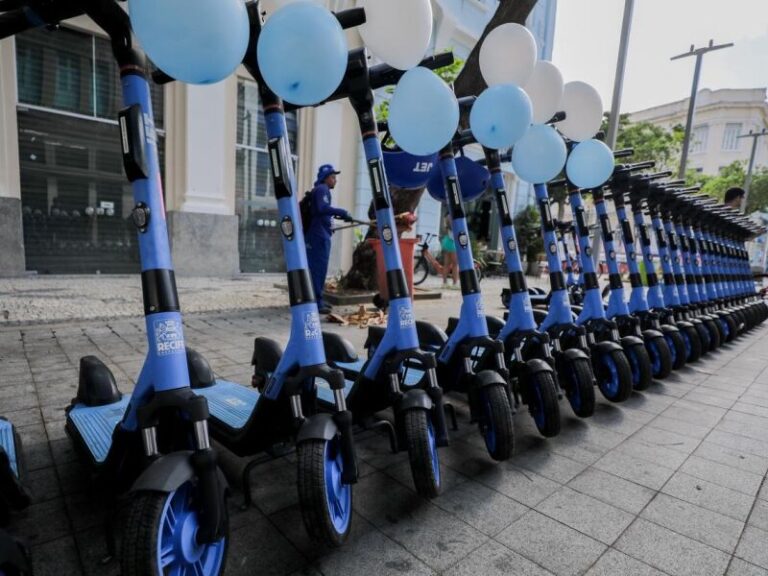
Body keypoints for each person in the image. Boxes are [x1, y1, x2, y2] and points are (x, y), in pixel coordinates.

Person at [306, 164, 352, 314]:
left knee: (320, 270)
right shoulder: (322, 190)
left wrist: (333, 220)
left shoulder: (322, 190)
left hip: (321, 234)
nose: (335, 180)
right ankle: (316, 303)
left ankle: (318, 300)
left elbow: (324, 212)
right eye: (333, 177)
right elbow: (322, 209)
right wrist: (341, 212)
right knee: (318, 271)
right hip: (317, 236)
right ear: (325, 178)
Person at [440, 215, 458, 288]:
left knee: (446, 264)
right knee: (455, 264)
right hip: (453, 242)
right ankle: (454, 283)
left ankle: (444, 283)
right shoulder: (453, 217)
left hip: (446, 241)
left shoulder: (447, 217)